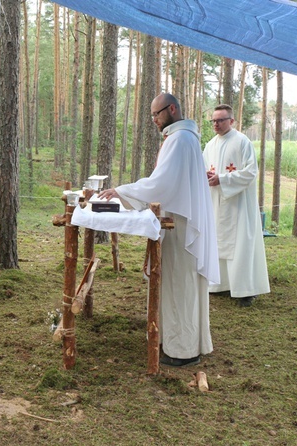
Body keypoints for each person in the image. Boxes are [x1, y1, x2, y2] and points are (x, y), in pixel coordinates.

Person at [98, 93, 219, 367]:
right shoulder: (183, 138)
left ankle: (183, 350)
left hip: (181, 227)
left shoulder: (180, 140)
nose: (154, 120)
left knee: (180, 287)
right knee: (179, 286)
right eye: (152, 115)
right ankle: (182, 341)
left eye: (157, 114)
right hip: (180, 220)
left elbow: (161, 183)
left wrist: (122, 191)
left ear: (172, 109)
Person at [203, 104, 270, 307]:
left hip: (238, 204)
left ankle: (244, 291)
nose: (216, 124)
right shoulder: (210, 145)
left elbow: (251, 172)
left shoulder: (242, 142)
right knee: (217, 242)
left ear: (231, 121)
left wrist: (222, 179)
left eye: (220, 120)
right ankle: (218, 284)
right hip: (217, 202)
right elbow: (205, 169)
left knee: (241, 245)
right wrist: (208, 177)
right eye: (213, 120)